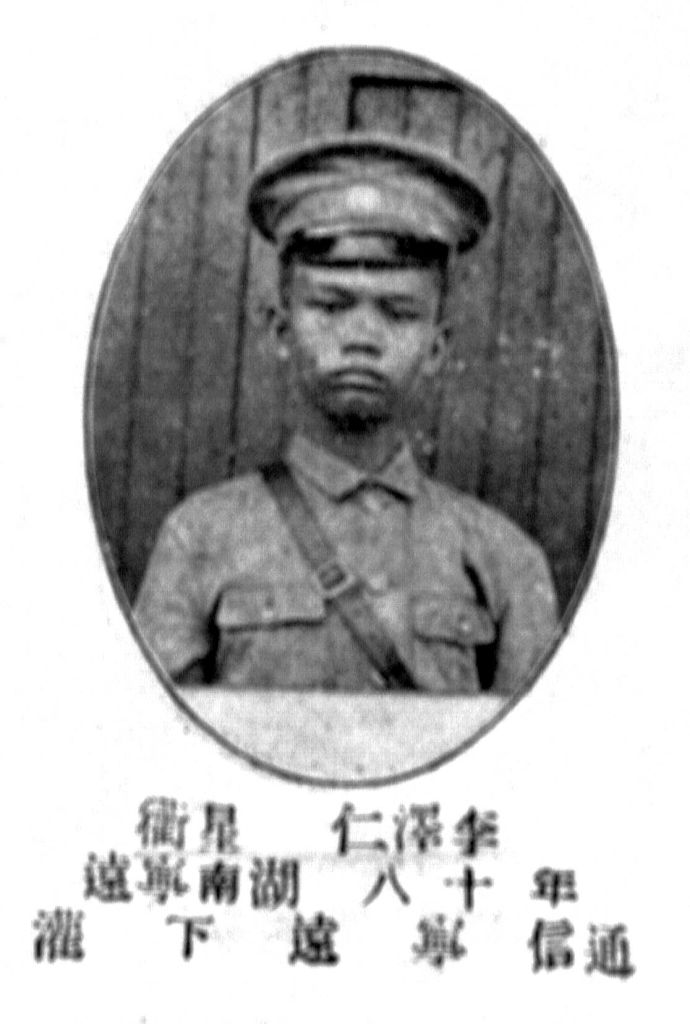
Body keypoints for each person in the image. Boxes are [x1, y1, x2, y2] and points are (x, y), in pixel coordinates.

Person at [133, 134, 559, 694]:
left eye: (398, 313)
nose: (361, 337)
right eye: (331, 306)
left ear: (437, 348)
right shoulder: (199, 538)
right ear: (280, 330)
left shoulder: (504, 559)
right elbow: (158, 734)